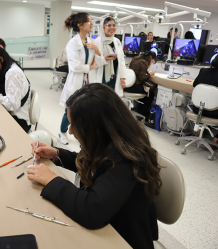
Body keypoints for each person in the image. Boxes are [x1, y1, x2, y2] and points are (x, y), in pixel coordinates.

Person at [28, 83, 162, 249]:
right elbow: (94, 165)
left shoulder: (127, 159)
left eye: (74, 125)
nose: (70, 131)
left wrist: (52, 180)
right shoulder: (109, 143)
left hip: (123, 239)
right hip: (110, 225)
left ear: (95, 127)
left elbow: (92, 210)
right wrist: (56, 154)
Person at [58, 12, 104, 145]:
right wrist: (90, 67)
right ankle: (62, 132)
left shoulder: (93, 42)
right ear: (79, 25)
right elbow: (74, 67)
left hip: (89, 82)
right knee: (70, 111)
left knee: (87, 111)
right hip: (76, 82)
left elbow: (100, 63)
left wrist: (97, 50)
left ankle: (82, 135)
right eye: (88, 20)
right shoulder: (72, 43)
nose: (91, 23)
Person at [94, 17, 127, 94]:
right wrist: (104, 59)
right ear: (103, 27)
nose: (112, 28)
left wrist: (122, 77)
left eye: (114, 25)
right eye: (109, 25)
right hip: (101, 76)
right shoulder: (96, 42)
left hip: (114, 76)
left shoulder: (117, 41)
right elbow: (93, 63)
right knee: (100, 99)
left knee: (111, 100)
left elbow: (121, 60)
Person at [193, 55, 218, 146]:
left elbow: (194, 84)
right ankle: (215, 140)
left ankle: (198, 130)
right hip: (214, 113)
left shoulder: (203, 71)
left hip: (198, 109)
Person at [124, 51, 157, 118]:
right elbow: (142, 79)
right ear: (150, 58)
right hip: (133, 87)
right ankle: (142, 114)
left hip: (127, 86)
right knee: (151, 93)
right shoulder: (144, 63)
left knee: (145, 90)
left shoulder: (135, 59)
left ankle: (139, 111)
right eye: (152, 61)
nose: (151, 63)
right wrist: (150, 74)